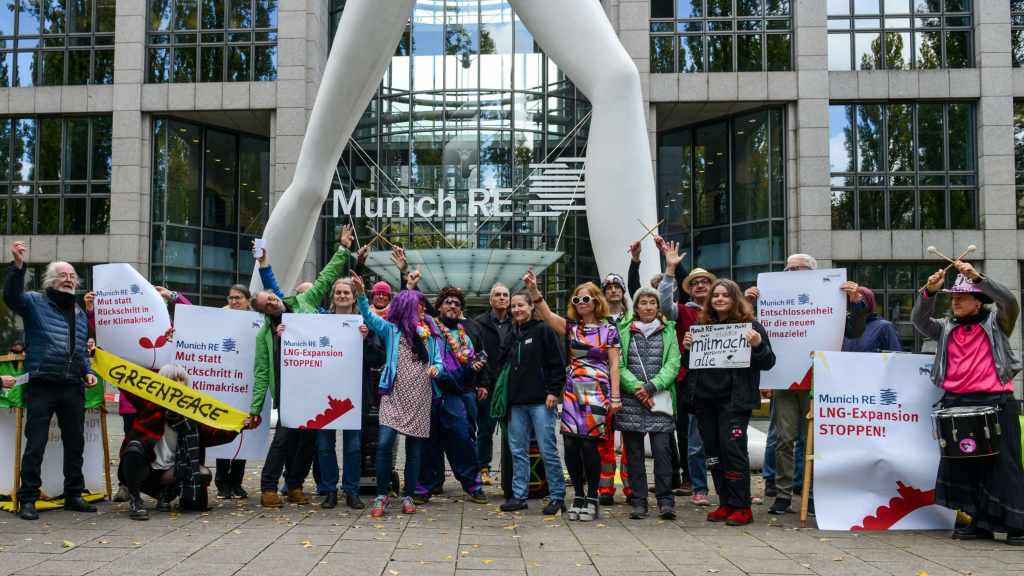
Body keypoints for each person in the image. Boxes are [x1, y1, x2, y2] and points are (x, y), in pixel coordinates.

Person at [743, 253, 864, 516]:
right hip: (785, 380)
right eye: (787, 268)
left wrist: (856, 302)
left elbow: (854, 331)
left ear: (812, 272)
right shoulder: (771, 295)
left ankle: (812, 494)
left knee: (816, 442)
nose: (790, 273)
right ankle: (783, 494)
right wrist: (747, 303)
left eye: (796, 268)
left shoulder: (833, 294)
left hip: (819, 380)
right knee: (784, 439)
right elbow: (750, 329)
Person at [913, 261, 1024, 543]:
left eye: (962, 297)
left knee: (1004, 466)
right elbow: (920, 321)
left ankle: (1017, 524)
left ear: (978, 302)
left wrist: (978, 278)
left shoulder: (998, 323)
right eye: (953, 297)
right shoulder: (945, 327)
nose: (955, 301)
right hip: (957, 403)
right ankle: (978, 521)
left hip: (995, 401)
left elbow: (1010, 302)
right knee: (965, 466)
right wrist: (928, 292)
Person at [248, 225, 355, 508]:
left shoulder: (304, 302)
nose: (272, 303)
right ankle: (268, 487)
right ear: (264, 313)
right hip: (288, 394)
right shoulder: (265, 335)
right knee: (284, 439)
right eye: (267, 305)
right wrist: (255, 409)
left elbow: (326, 277)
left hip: (315, 389)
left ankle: (295, 484)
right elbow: (261, 374)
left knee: (308, 441)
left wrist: (343, 248)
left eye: (272, 298)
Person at [3, 241, 98, 521]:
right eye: (62, 275)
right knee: (36, 443)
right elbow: (11, 296)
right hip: (42, 384)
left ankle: (74, 494)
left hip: (72, 385)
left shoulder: (79, 312)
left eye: (72, 276)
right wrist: (18, 266)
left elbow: (80, 350)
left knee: (75, 442)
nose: (68, 279)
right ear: (50, 280)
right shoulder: (34, 302)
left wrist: (87, 371)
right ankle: (28, 498)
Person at [523, 270, 621, 522]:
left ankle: (592, 496)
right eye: (577, 300)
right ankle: (577, 494)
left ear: (596, 301)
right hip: (573, 389)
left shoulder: (609, 329)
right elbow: (546, 314)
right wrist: (533, 290)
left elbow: (614, 365)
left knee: (589, 444)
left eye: (585, 299)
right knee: (569, 443)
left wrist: (616, 397)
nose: (580, 303)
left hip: (597, 389)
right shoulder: (572, 328)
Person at [683, 279, 775, 526]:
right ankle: (725, 502)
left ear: (735, 299)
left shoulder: (751, 327)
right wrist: (687, 349)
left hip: (734, 402)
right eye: (716, 296)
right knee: (713, 454)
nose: (720, 299)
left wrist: (758, 345)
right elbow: (688, 366)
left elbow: (769, 362)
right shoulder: (701, 327)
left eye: (725, 295)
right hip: (705, 402)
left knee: (733, 451)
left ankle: (741, 506)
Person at [351, 272, 443, 518]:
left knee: (414, 450)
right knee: (384, 444)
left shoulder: (429, 334)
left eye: (423, 306)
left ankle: (408, 496)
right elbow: (369, 317)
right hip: (394, 395)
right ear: (406, 308)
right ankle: (382, 494)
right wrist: (361, 294)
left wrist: (437, 369)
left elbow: (438, 361)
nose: (422, 309)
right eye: (418, 306)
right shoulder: (391, 330)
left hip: (420, 395)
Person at [118, 364, 238, 520]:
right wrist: (101, 360)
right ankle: (136, 501)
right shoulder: (149, 404)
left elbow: (213, 435)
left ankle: (165, 496)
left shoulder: (192, 414)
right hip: (144, 470)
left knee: (202, 473)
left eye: (181, 379)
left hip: (170, 472)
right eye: (173, 379)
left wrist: (238, 426)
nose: (178, 383)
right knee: (134, 448)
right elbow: (128, 384)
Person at [315, 277, 386, 510]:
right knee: (324, 446)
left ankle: (351, 491)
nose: (342, 296)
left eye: (346, 292)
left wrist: (366, 340)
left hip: (355, 394)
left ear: (354, 297)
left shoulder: (364, 323)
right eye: (338, 292)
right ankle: (329, 490)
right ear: (333, 296)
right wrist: (286, 334)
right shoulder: (319, 323)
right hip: (324, 393)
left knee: (354, 446)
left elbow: (377, 359)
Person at [415, 287, 488, 505]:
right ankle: (424, 487)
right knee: (429, 442)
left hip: (455, 393)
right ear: (439, 307)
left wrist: (474, 369)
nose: (452, 306)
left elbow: (472, 363)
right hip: (429, 391)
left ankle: (473, 485)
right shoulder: (428, 327)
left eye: (457, 303)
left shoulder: (466, 336)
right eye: (448, 302)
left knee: (462, 438)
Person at [498, 292, 566, 515]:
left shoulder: (544, 330)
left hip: (541, 402)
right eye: (513, 306)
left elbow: (557, 363)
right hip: (516, 403)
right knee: (518, 451)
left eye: (521, 305)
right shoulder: (512, 333)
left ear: (530, 307)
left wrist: (554, 391)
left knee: (548, 450)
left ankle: (557, 497)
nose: (517, 309)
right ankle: (519, 496)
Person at [617, 286, 681, 520]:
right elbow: (618, 365)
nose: (648, 307)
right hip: (631, 401)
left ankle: (666, 501)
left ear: (658, 306)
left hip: (660, 398)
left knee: (662, 451)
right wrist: (637, 388)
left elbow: (674, 363)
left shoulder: (669, 330)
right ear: (636, 307)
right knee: (634, 454)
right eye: (643, 303)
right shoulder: (623, 330)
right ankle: (639, 501)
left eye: (652, 302)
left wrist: (652, 386)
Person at [658, 241, 711, 506]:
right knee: (693, 438)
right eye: (695, 283)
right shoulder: (683, 311)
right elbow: (664, 306)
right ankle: (698, 486)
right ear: (688, 288)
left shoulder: (725, 311)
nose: (700, 285)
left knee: (724, 438)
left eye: (705, 282)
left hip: (721, 381)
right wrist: (670, 270)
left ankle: (733, 486)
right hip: (690, 380)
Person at [469, 283, 513, 487]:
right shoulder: (478, 323)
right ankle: (483, 468)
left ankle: (511, 469)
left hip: (511, 385)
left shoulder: (517, 321)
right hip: (487, 385)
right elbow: (475, 354)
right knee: (485, 429)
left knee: (512, 430)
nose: (502, 298)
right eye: (498, 295)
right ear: (490, 300)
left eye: (505, 295)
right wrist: (480, 383)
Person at [215, 283, 253, 500]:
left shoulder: (257, 320)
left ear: (248, 300)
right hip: (224, 382)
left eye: (238, 297)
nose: (234, 301)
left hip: (246, 383)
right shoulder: (220, 318)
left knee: (243, 434)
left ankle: (236, 482)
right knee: (222, 432)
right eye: (231, 298)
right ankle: (222, 482)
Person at [597, 272, 631, 505]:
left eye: (617, 286)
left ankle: (631, 487)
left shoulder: (633, 318)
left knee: (630, 440)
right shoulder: (597, 320)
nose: (613, 290)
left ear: (623, 290)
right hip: (603, 386)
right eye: (608, 287)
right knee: (605, 439)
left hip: (630, 385)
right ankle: (605, 488)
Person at [843, 287, 901, 353]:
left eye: (859, 301)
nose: (854, 305)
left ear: (869, 303)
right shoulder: (846, 327)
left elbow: (896, 355)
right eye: (852, 302)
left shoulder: (885, 327)